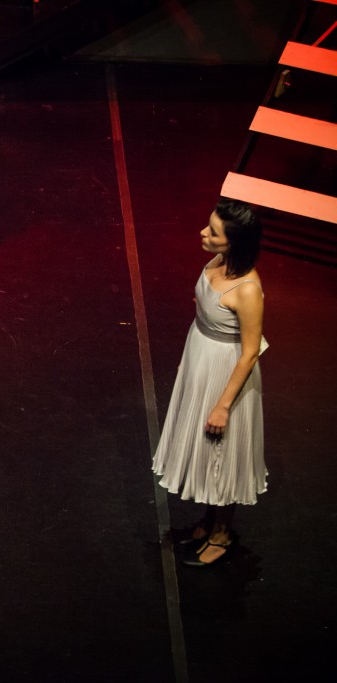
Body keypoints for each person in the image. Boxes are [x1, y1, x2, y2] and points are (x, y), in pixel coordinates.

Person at [152, 198, 265, 567]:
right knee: (205, 449)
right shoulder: (219, 261)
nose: (203, 233)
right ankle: (208, 520)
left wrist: (222, 405)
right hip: (201, 356)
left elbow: (249, 352)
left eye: (213, 232)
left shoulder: (248, 290)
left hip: (225, 372)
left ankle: (222, 533)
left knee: (221, 453)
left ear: (234, 243)